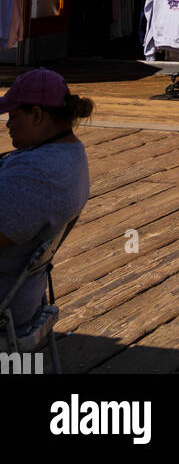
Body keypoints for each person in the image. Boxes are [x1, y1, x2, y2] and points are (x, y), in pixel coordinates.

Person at [0, 69, 92, 337]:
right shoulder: (70, 152)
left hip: (7, 304)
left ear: (37, 115)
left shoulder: (37, 174)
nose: (8, 125)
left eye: (13, 116)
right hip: (23, 291)